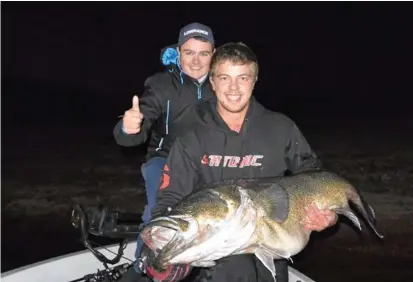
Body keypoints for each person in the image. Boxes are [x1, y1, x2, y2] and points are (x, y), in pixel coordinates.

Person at [138, 42, 338, 282]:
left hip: (272, 244)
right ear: (212, 82)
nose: (233, 87)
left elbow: (313, 175)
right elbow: (168, 202)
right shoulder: (190, 138)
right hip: (218, 255)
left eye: (242, 78)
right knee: (235, 270)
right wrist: (162, 247)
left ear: (254, 81)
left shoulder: (281, 128)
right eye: (224, 78)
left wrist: (328, 213)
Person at [114, 22, 216, 281]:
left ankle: (205, 268)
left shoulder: (222, 84)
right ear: (178, 52)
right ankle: (142, 269)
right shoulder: (161, 84)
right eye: (189, 52)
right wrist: (129, 128)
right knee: (158, 213)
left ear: (213, 54)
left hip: (208, 162)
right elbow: (138, 128)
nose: (195, 60)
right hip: (165, 159)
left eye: (203, 53)